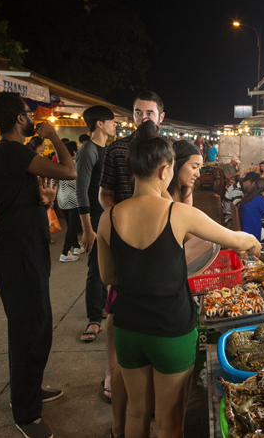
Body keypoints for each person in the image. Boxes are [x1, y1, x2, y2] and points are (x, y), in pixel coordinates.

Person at [96, 119, 260, 438]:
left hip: (128, 328)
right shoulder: (178, 213)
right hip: (171, 329)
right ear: (164, 170)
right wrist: (252, 242)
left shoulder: (108, 217)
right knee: (169, 421)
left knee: (137, 411)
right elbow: (235, 239)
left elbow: (108, 276)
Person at [0, 91, 77, 438]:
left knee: (37, 325)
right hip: (18, 251)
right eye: (26, 113)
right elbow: (69, 170)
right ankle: (26, 414)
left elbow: (26, 188)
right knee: (29, 329)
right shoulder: (10, 151)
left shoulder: (13, 153)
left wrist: (43, 201)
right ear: (16, 119)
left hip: (29, 246)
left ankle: (29, 389)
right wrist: (54, 134)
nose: (31, 118)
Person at [98, 91, 165, 436]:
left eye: (149, 112)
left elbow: (171, 195)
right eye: (138, 112)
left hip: (158, 239)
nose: (144, 118)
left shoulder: (164, 148)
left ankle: (145, 386)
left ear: (161, 116)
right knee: (116, 306)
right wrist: (114, 222)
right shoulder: (117, 148)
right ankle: (115, 371)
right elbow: (104, 192)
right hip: (123, 239)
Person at [77, 106, 116, 343]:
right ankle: (93, 319)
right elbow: (80, 190)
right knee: (95, 268)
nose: (115, 125)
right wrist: (87, 228)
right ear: (100, 124)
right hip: (93, 217)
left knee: (106, 267)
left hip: (107, 217)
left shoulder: (106, 149)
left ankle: (103, 307)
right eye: (111, 122)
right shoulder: (87, 150)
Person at [56, 141, 83, 262]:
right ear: (73, 152)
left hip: (61, 198)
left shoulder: (59, 164)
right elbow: (75, 182)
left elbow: (53, 181)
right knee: (73, 227)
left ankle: (76, 247)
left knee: (70, 225)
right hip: (73, 199)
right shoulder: (74, 164)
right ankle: (65, 252)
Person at [168, 140, 203, 205]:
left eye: (199, 169)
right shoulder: (164, 196)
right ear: (176, 164)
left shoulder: (183, 190)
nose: (198, 174)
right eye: (194, 167)